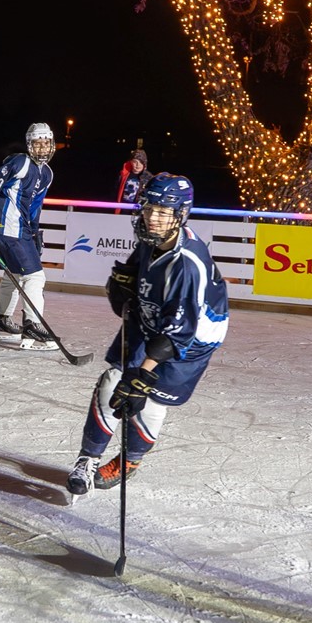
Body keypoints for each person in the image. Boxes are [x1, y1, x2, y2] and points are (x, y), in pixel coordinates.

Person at [66, 173, 229, 495]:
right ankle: (88, 459)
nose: (153, 218)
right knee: (113, 380)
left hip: (193, 338)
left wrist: (143, 374)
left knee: (149, 398)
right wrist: (123, 288)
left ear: (180, 214)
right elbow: (132, 277)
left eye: (163, 212)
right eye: (149, 208)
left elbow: (178, 333)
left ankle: (131, 460)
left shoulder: (187, 263)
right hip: (152, 317)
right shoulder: (151, 239)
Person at [0, 122, 57, 351]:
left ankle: (1, 322)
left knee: (14, 274)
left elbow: (35, 205)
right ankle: (33, 325)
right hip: (8, 227)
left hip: (20, 229)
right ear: (30, 145)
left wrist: (35, 231)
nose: (43, 148)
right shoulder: (20, 162)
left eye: (46, 143)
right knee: (35, 277)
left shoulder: (46, 173)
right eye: (38, 143)